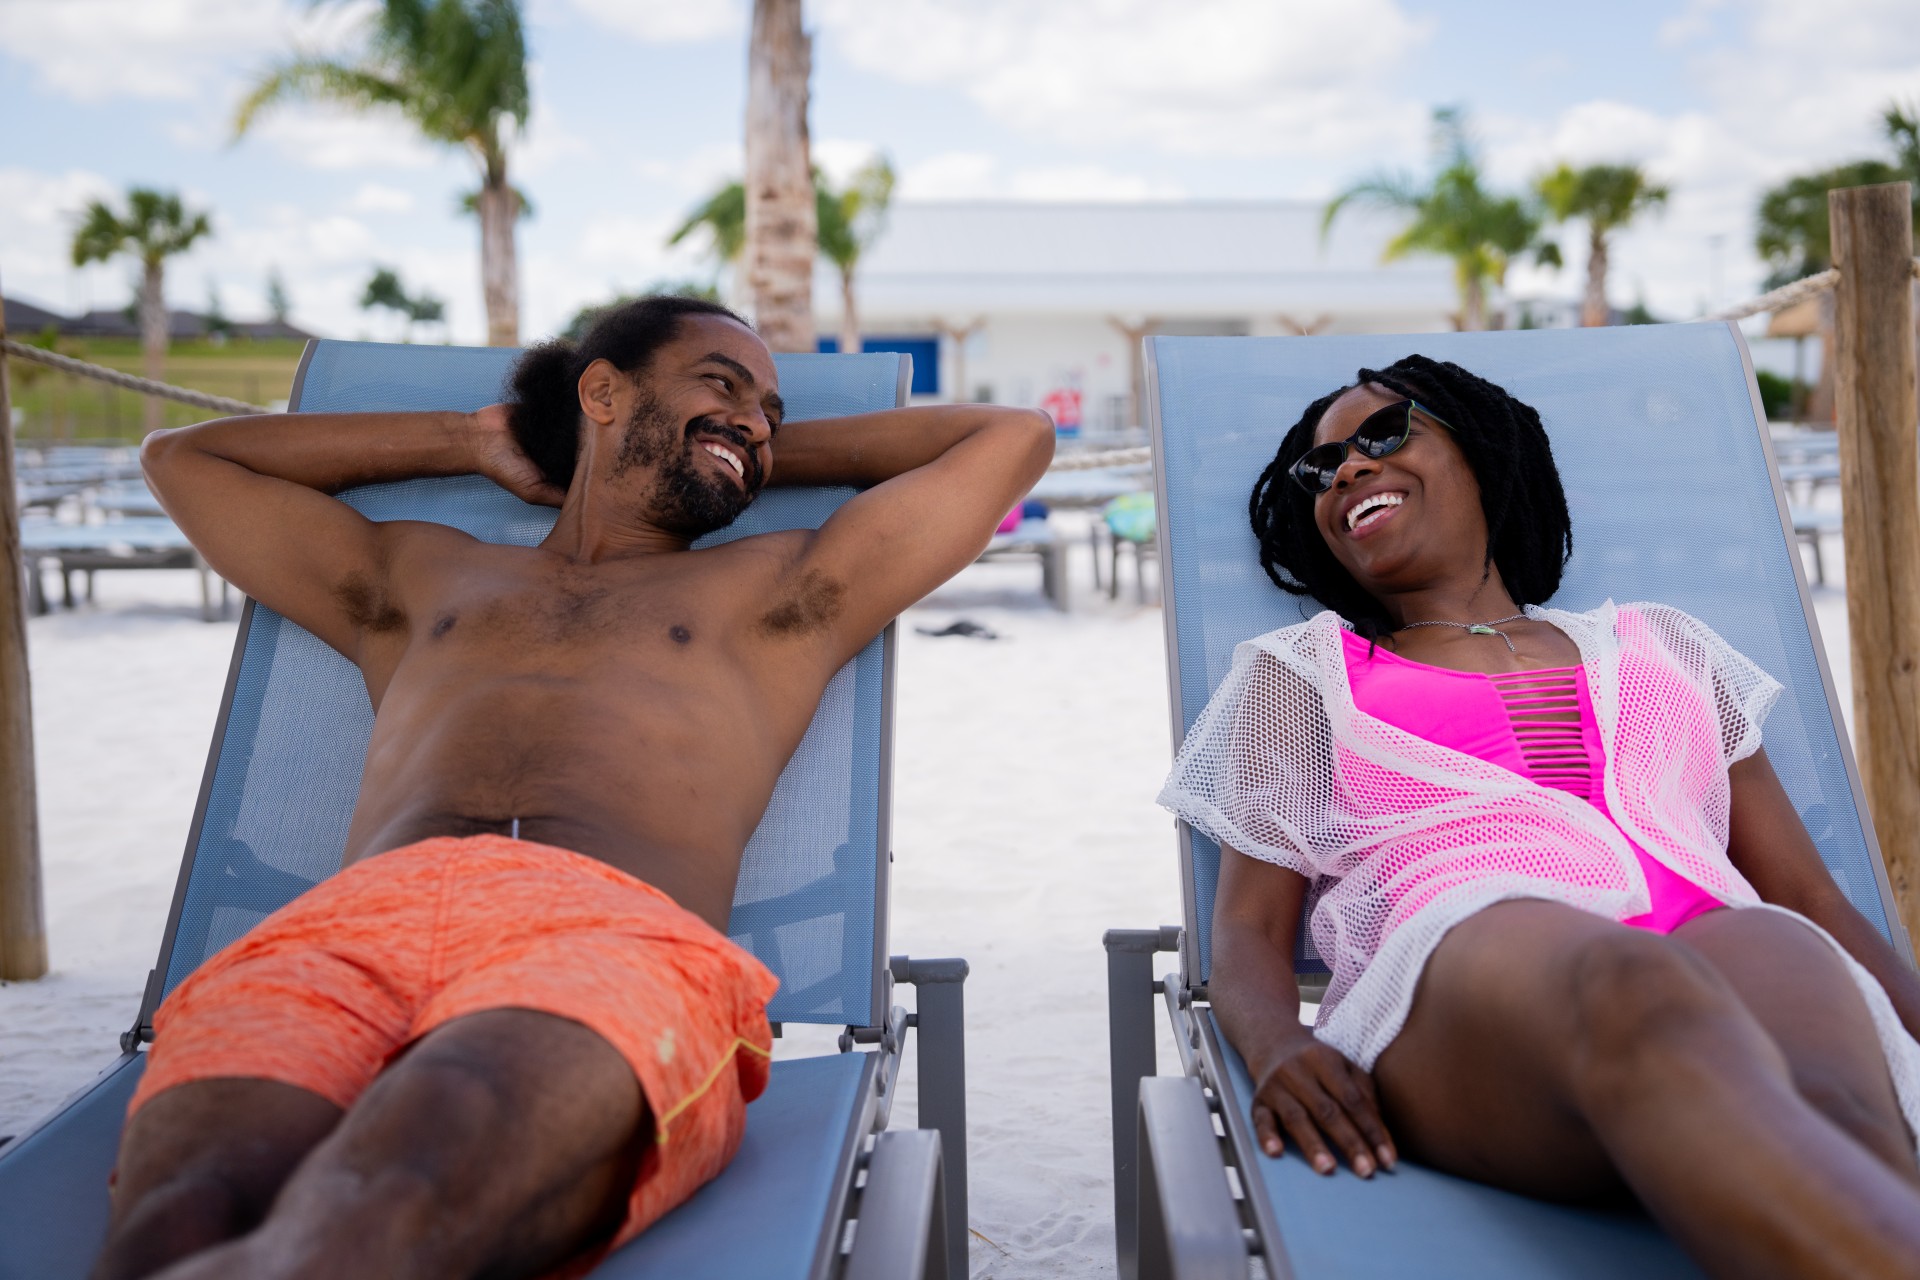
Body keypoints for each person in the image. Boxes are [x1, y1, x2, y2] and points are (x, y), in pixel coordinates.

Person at [97, 295, 1053, 1280]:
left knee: (388, 1192)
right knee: (172, 1218)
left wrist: (729, 451)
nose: (759, 422)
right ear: (602, 389)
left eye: (773, 415)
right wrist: (478, 440)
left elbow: (1010, 436)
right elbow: (188, 460)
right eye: (722, 385)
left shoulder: (778, 593)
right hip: (353, 926)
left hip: (604, 934)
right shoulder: (424, 574)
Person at [1158, 354, 1920, 1278]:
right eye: (1319, 471)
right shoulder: (1306, 674)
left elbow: (1806, 894)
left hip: (1717, 934)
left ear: (1482, 454)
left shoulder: (1661, 641)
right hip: (1470, 971)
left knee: (1829, 1072)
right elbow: (1245, 925)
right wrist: (1279, 1046)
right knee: (1637, 987)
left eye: (1384, 434)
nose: (1349, 469)